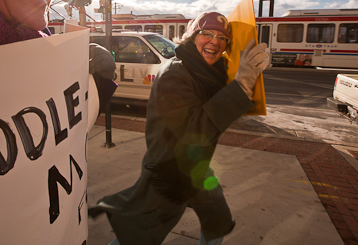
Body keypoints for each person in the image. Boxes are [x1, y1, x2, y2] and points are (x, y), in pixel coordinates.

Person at [89, 12, 269, 245]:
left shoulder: (205, 71)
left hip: (195, 168)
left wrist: (251, 74)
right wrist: (242, 85)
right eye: (207, 33)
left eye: (222, 38)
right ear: (191, 37)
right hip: (168, 171)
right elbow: (195, 132)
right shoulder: (175, 74)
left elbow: (226, 97)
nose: (215, 41)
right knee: (137, 237)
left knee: (218, 221)